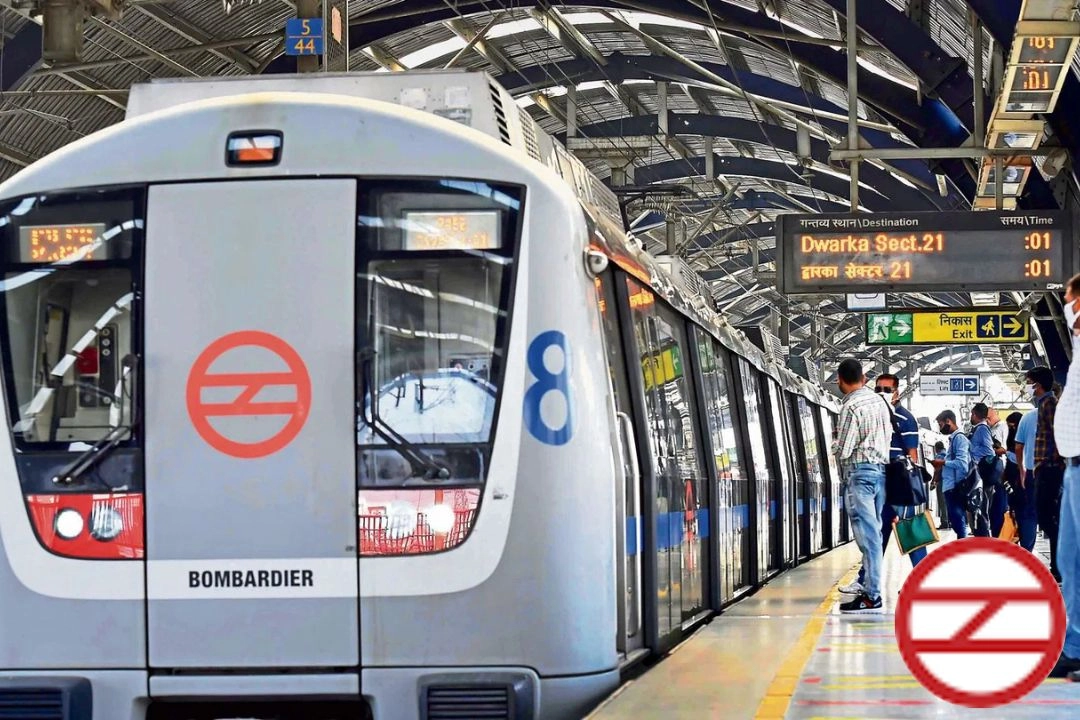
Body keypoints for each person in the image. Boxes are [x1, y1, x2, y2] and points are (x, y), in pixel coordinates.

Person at [843, 373, 926, 596]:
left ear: (897, 393)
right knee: (876, 532)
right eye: (878, 388)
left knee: (910, 531)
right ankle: (864, 580)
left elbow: (912, 453)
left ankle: (921, 580)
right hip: (880, 478)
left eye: (887, 390)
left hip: (898, 481)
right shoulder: (875, 412)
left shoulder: (905, 418)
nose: (882, 392)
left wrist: (908, 485)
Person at [831, 358, 891, 613]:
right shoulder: (880, 402)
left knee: (868, 538)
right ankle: (871, 588)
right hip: (879, 473)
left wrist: (832, 446)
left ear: (840, 380)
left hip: (860, 474)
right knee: (874, 533)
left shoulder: (851, 407)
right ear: (864, 378)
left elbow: (844, 450)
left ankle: (872, 594)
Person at [1052, 273, 1080, 680]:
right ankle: (1073, 647)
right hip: (1074, 463)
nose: (1066, 307)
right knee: (1069, 560)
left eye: (1069, 300)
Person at [1027, 365, 1065, 582]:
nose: (1028, 387)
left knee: (1046, 516)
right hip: (1047, 467)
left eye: (1029, 382)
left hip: (1049, 468)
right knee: (1050, 516)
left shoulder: (1049, 404)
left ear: (1038, 384)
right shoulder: (1044, 403)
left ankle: (1062, 561)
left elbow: (1057, 434)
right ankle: (1058, 566)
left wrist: (1051, 463)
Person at [931, 410, 972, 538]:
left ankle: (963, 547)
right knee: (956, 521)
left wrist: (942, 463)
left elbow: (962, 464)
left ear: (949, 421)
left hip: (955, 487)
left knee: (958, 521)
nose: (940, 427)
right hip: (951, 487)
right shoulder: (954, 439)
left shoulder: (959, 438)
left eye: (941, 424)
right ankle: (962, 545)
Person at [970, 403, 1005, 536]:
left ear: (975, 414)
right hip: (981, 473)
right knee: (980, 504)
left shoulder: (982, 429)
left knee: (982, 505)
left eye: (971, 414)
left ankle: (983, 535)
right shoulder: (980, 429)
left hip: (983, 473)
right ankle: (982, 533)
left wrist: (977, 459)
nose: (970, 417)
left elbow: (989, 451)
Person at [1015, 406, 1039, 551]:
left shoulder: (1028, 417)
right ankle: (1058, 567)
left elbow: (1018, 447)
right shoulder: (1067, 413)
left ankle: (1027, 553)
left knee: (1031, 514)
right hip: (1062, 471)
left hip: (1033, 471)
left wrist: (1021, 469)